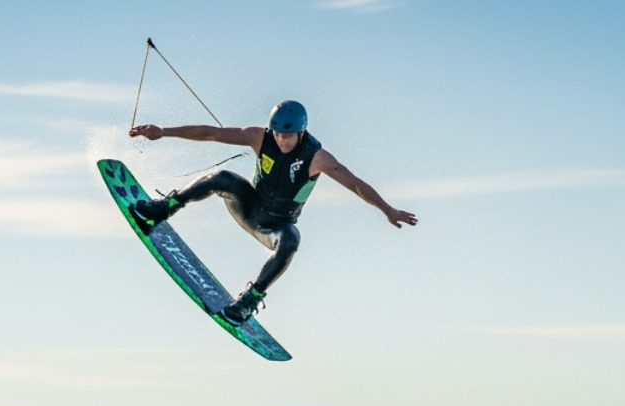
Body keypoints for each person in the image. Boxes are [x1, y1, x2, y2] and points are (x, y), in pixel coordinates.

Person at [129, 100, 417, 324]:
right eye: (278, 134)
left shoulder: (317, 158)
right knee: (222, 177)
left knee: (292, 240)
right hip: (248, 206)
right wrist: (163, 132)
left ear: (301, 132)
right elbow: (211, 133)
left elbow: (354, 184)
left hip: (274, 227)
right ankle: (162, 210)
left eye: (288, 136)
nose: (282, 141)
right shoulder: (259, 137)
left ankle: (248, 300)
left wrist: (387, 209)